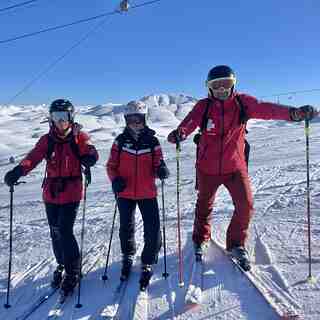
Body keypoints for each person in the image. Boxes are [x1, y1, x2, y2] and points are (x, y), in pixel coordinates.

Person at [167, 65, 316, 270]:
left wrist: (294, 113)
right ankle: (200, 238)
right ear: (209, 88)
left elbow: (267, 109)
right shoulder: (203, 107)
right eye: (216, 85)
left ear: (233, 84)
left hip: (235, 167)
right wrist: (180, 133)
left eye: (226, 84)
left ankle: (236, 244)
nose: (221, 89)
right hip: (206, 168)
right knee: (204, 205)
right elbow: (189, 123)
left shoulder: (242, 103)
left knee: (245, 206)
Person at [4, 99, 99, 294]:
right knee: (55, 231)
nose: (60, 121)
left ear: (71, 118)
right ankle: (62, 263)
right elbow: (34, 156)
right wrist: (18, 171)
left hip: (72, 191)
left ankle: (73, 271)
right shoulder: (47, 140)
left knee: (64, 230)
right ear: (51, 119)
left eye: (64, 117)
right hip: (51, 193)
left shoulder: (79, 136)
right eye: (56, 117)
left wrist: (90, 156)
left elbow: (90, 150)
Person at [106, 100, 170, 289]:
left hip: (147, 192)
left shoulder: (152, 141)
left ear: (144, 119)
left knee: (153, 228)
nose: (135, 123)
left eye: (138, 119)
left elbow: (159, 161)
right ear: (126, 120)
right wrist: (114, 179)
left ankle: (148, 259)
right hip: (124, 192)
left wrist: (161, 169)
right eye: (131, 119)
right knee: (126, 227)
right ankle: (127, 255)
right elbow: (111, 166)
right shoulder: (120, 140)